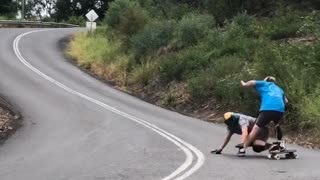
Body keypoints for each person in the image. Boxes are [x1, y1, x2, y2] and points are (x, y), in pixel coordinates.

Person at [239, 76, 288, 156]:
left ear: (266, 80)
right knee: (277, 124)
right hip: (280, 110)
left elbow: (252, 82)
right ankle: (280, 143)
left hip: (267, 109)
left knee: (256, 128)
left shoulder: (264, 83)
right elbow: (286, 101)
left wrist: (244, 84)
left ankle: (243, 149)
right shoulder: (279, 89)